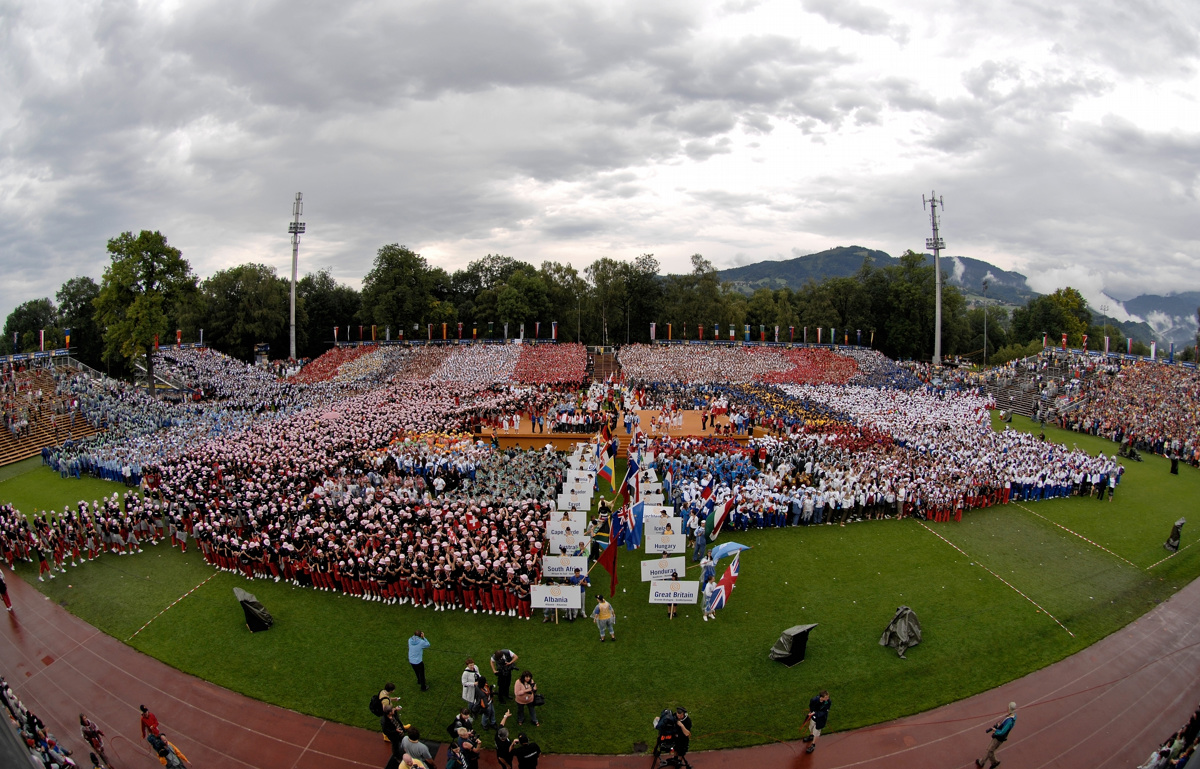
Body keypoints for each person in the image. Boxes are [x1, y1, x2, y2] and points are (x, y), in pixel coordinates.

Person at [976, 702, 1016, 768]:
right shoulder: (1012, 715)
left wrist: (996, 731)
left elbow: (1002, 732)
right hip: (999, 736)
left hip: (999, 738)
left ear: (1009, 708)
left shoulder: (1009, 721)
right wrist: (999, 725)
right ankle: (981, 762)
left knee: (990, 751)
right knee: (989, 749)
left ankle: (995, 762)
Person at [802, 689, 831, 754]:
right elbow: (811, 706)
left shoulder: (828, 702)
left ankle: (813, 745)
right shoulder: (814, 700)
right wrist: (812, 712)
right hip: (813, 717)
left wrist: (815, 713)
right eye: (826, 697)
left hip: (821, 719)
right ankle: (811, 736)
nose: (828, 698)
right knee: (811, 727)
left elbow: (824, 711)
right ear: (822, 697)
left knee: (817, 731)